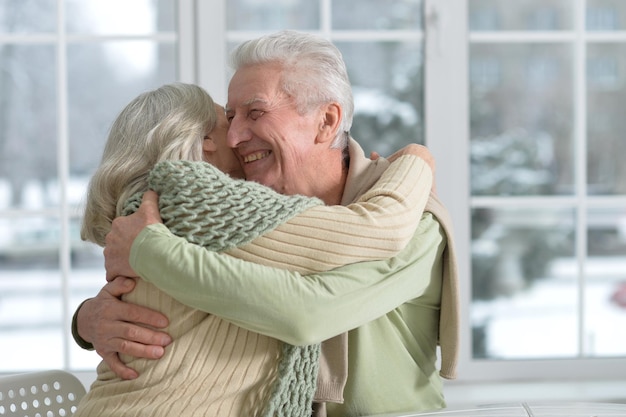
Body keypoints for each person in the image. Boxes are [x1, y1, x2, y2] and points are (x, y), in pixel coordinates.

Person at [74, 81, 437, 417]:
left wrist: (89, 315)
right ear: (205, 140)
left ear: (327, 121)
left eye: (253, 114)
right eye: (227, 120)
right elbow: (376, 227)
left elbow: (291, 304)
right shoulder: (193, 199)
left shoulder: (151, 212)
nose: (236, 136)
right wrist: (418, 160)